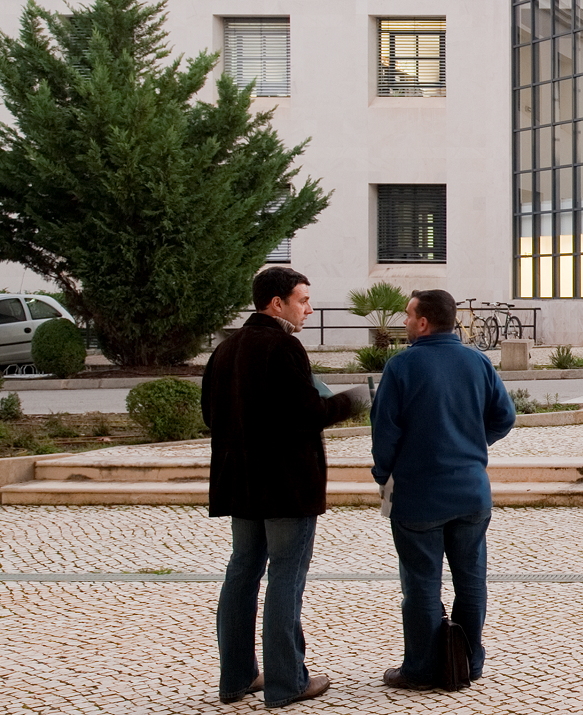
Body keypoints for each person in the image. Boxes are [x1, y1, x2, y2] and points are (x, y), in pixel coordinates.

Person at [203, 266, 367, 708]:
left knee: (241, 575)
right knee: (285, 578)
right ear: (277, 303)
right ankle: (286, 682)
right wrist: (353, 400)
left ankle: (236, 678)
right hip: (286, 486)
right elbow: (307, 415)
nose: (309, 309)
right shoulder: (284, 346)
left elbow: (210, 416)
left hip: (241, 484)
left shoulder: (225, 349)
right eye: (303, 300)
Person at [370, 288, 518, 691]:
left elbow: (385, 433)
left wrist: (384, 475)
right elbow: (505, 417)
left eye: (407, 315)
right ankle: (468, 662)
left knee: (421, 583)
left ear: (423, 322)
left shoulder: (401, 367)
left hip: (418, 495)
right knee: (471, 581)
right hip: (471, 492)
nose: (404, 321)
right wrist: (471, 444)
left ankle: (421, 669)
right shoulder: (478, 361)